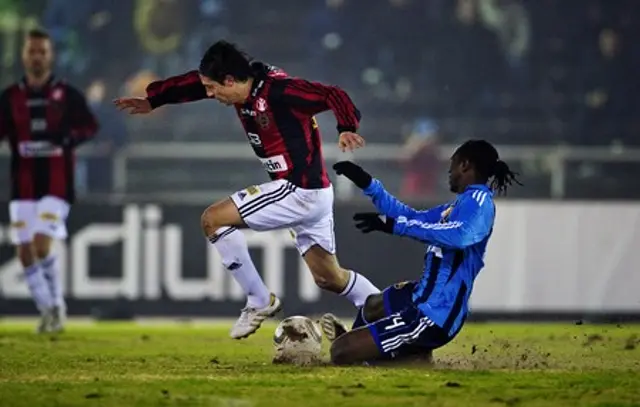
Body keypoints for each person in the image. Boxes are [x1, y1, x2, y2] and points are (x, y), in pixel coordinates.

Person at [113, 40, 380, 340]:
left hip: (297, 190)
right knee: (330, 278)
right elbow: (193, 84)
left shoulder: (280, 91)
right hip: (313, 193)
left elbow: (332, 94)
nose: (210, 95)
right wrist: (154, 100)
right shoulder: (239, 86)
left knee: (212, 220)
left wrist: (346, 127)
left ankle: (259, 300)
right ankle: (388, 313)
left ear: (230, 80)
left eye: (214, 88)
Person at [320, 139, 521, 365]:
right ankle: (383, 351)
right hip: (422, 295)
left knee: (340, 352)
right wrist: (368, 184)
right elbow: (411, 217)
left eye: (452, 165)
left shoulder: (480, 202)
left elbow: (461, 236)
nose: (449, 172)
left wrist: (393, 225)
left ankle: (393, 357)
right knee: (373, 305)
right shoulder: (458, 205)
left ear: (465, 165)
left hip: (435, 313)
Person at [0, 28, 99, 333]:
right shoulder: (10, 97)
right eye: (32, 51)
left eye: (42, 51)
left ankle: (57, 306)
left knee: (41, 243)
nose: (37, 57)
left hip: (57, 183)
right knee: (24, 251)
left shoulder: (67, 95)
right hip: (23, 184)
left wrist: (69, 137)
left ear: (50, 55)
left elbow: (90, 127)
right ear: (24, 55)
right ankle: (48, 308)